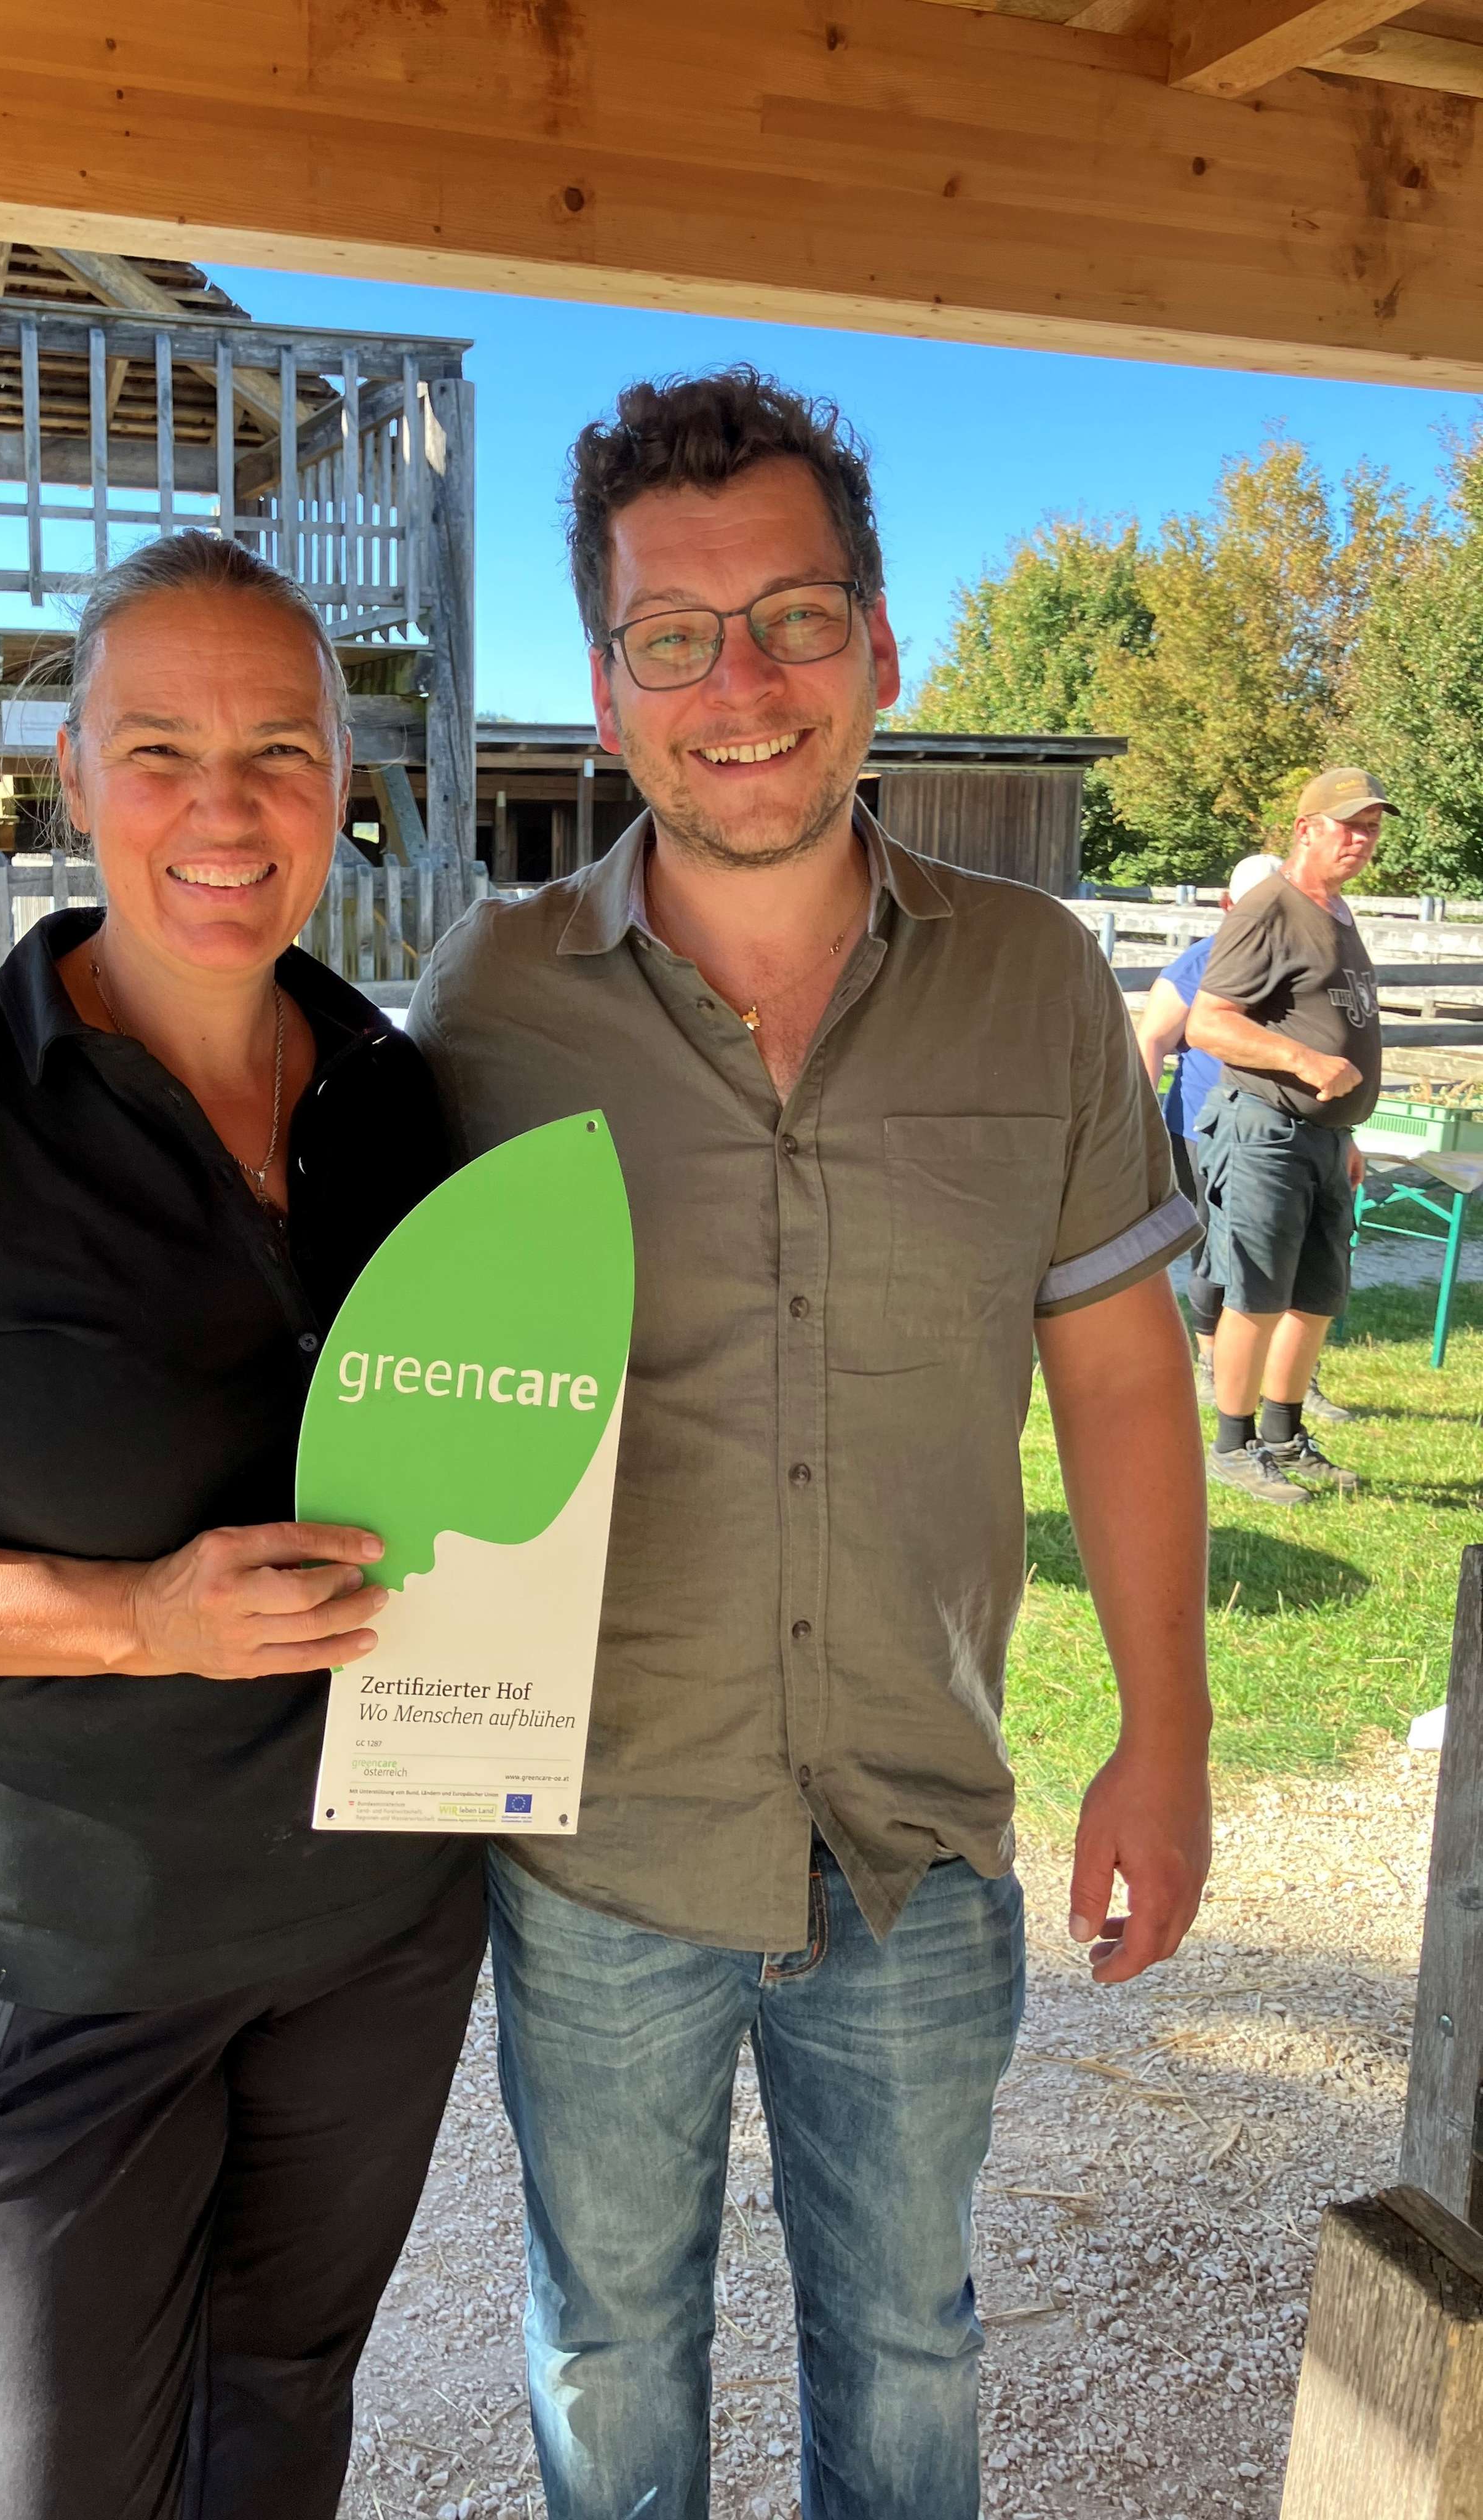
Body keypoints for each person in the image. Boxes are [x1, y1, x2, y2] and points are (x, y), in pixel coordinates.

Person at [408, 369, 1214, 2520]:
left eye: (791, 616)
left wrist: (1167, 1735)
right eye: (674, 634)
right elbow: (348, 1352)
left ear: (882, 643)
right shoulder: (480, 999)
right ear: (603, 689)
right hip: (597, 1837)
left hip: (916, 1830)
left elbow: (1125, 1375)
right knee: (604, 2343)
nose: (738, 683)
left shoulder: (1037, 979)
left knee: (911, 2336)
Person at [0, 530, 483, 2520]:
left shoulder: (411, 1104)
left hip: (378, 1932)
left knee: (285, 2409)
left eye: (281, 747)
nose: (226, 806)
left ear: (343, 773)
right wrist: (140, 1612)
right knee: (50, 2481)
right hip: (66, 1948)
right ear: (71, 769)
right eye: (162, 746)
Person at [1183, 770, 1388, 1505]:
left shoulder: (1339, 911)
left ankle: (1284, 1434)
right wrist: (1302, 1061)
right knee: (1258, 1293)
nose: (1361, 840)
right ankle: (1233, 1446)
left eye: (1370, 827)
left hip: (1327, 1138)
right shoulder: (1270, 906)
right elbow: (1207, 1022)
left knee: (1316, 1296)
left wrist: (1349, 1129)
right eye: (1347, 826)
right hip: (1266, 1130)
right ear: (1306, 830)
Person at [1134, 853, 1352, 1425]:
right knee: (1224, 1256)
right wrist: (1141, 1124)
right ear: (1230, 905)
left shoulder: (1307, 956)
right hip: (1212, 1129)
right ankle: (1215, 1366)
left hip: (1301, 1129)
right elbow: (1152, 1038)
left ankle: (1289, 1382)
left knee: (1297, 1262)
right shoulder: (1202, 961)